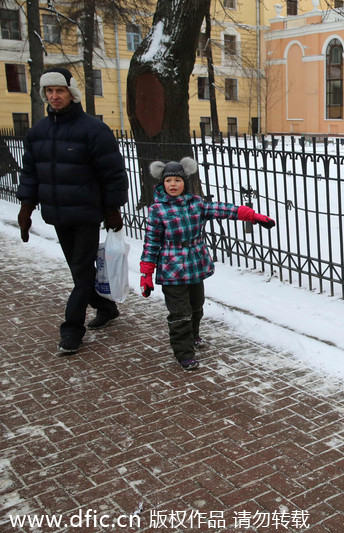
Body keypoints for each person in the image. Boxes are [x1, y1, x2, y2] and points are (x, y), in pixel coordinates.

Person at [16, 67, 128, 355]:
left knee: (80, 274)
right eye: (49, 92)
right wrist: (26, 208)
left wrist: (112, 209)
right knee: (80, 272)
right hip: (57, 214)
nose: (54, 96)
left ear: (71, 93)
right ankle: (105, 307)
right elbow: (30, 173)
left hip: (87, 215)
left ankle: (71, 331)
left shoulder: (93, 130)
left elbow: (112, 172)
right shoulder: (38, 131)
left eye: (60, 91)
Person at [140, 157, 276, 371]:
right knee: (179, 313)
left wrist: (254, 216)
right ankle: (184, 353)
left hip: (195, 265)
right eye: (168, 181)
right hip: (171, 270)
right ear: (162, 184)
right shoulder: (158, 210)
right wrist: (146, 275)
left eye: (177, 180)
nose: (173, 185)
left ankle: (193, 336)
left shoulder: (197, 204)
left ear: (185, 182)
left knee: (196, 307)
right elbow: (151, 243)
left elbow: (224, 209)